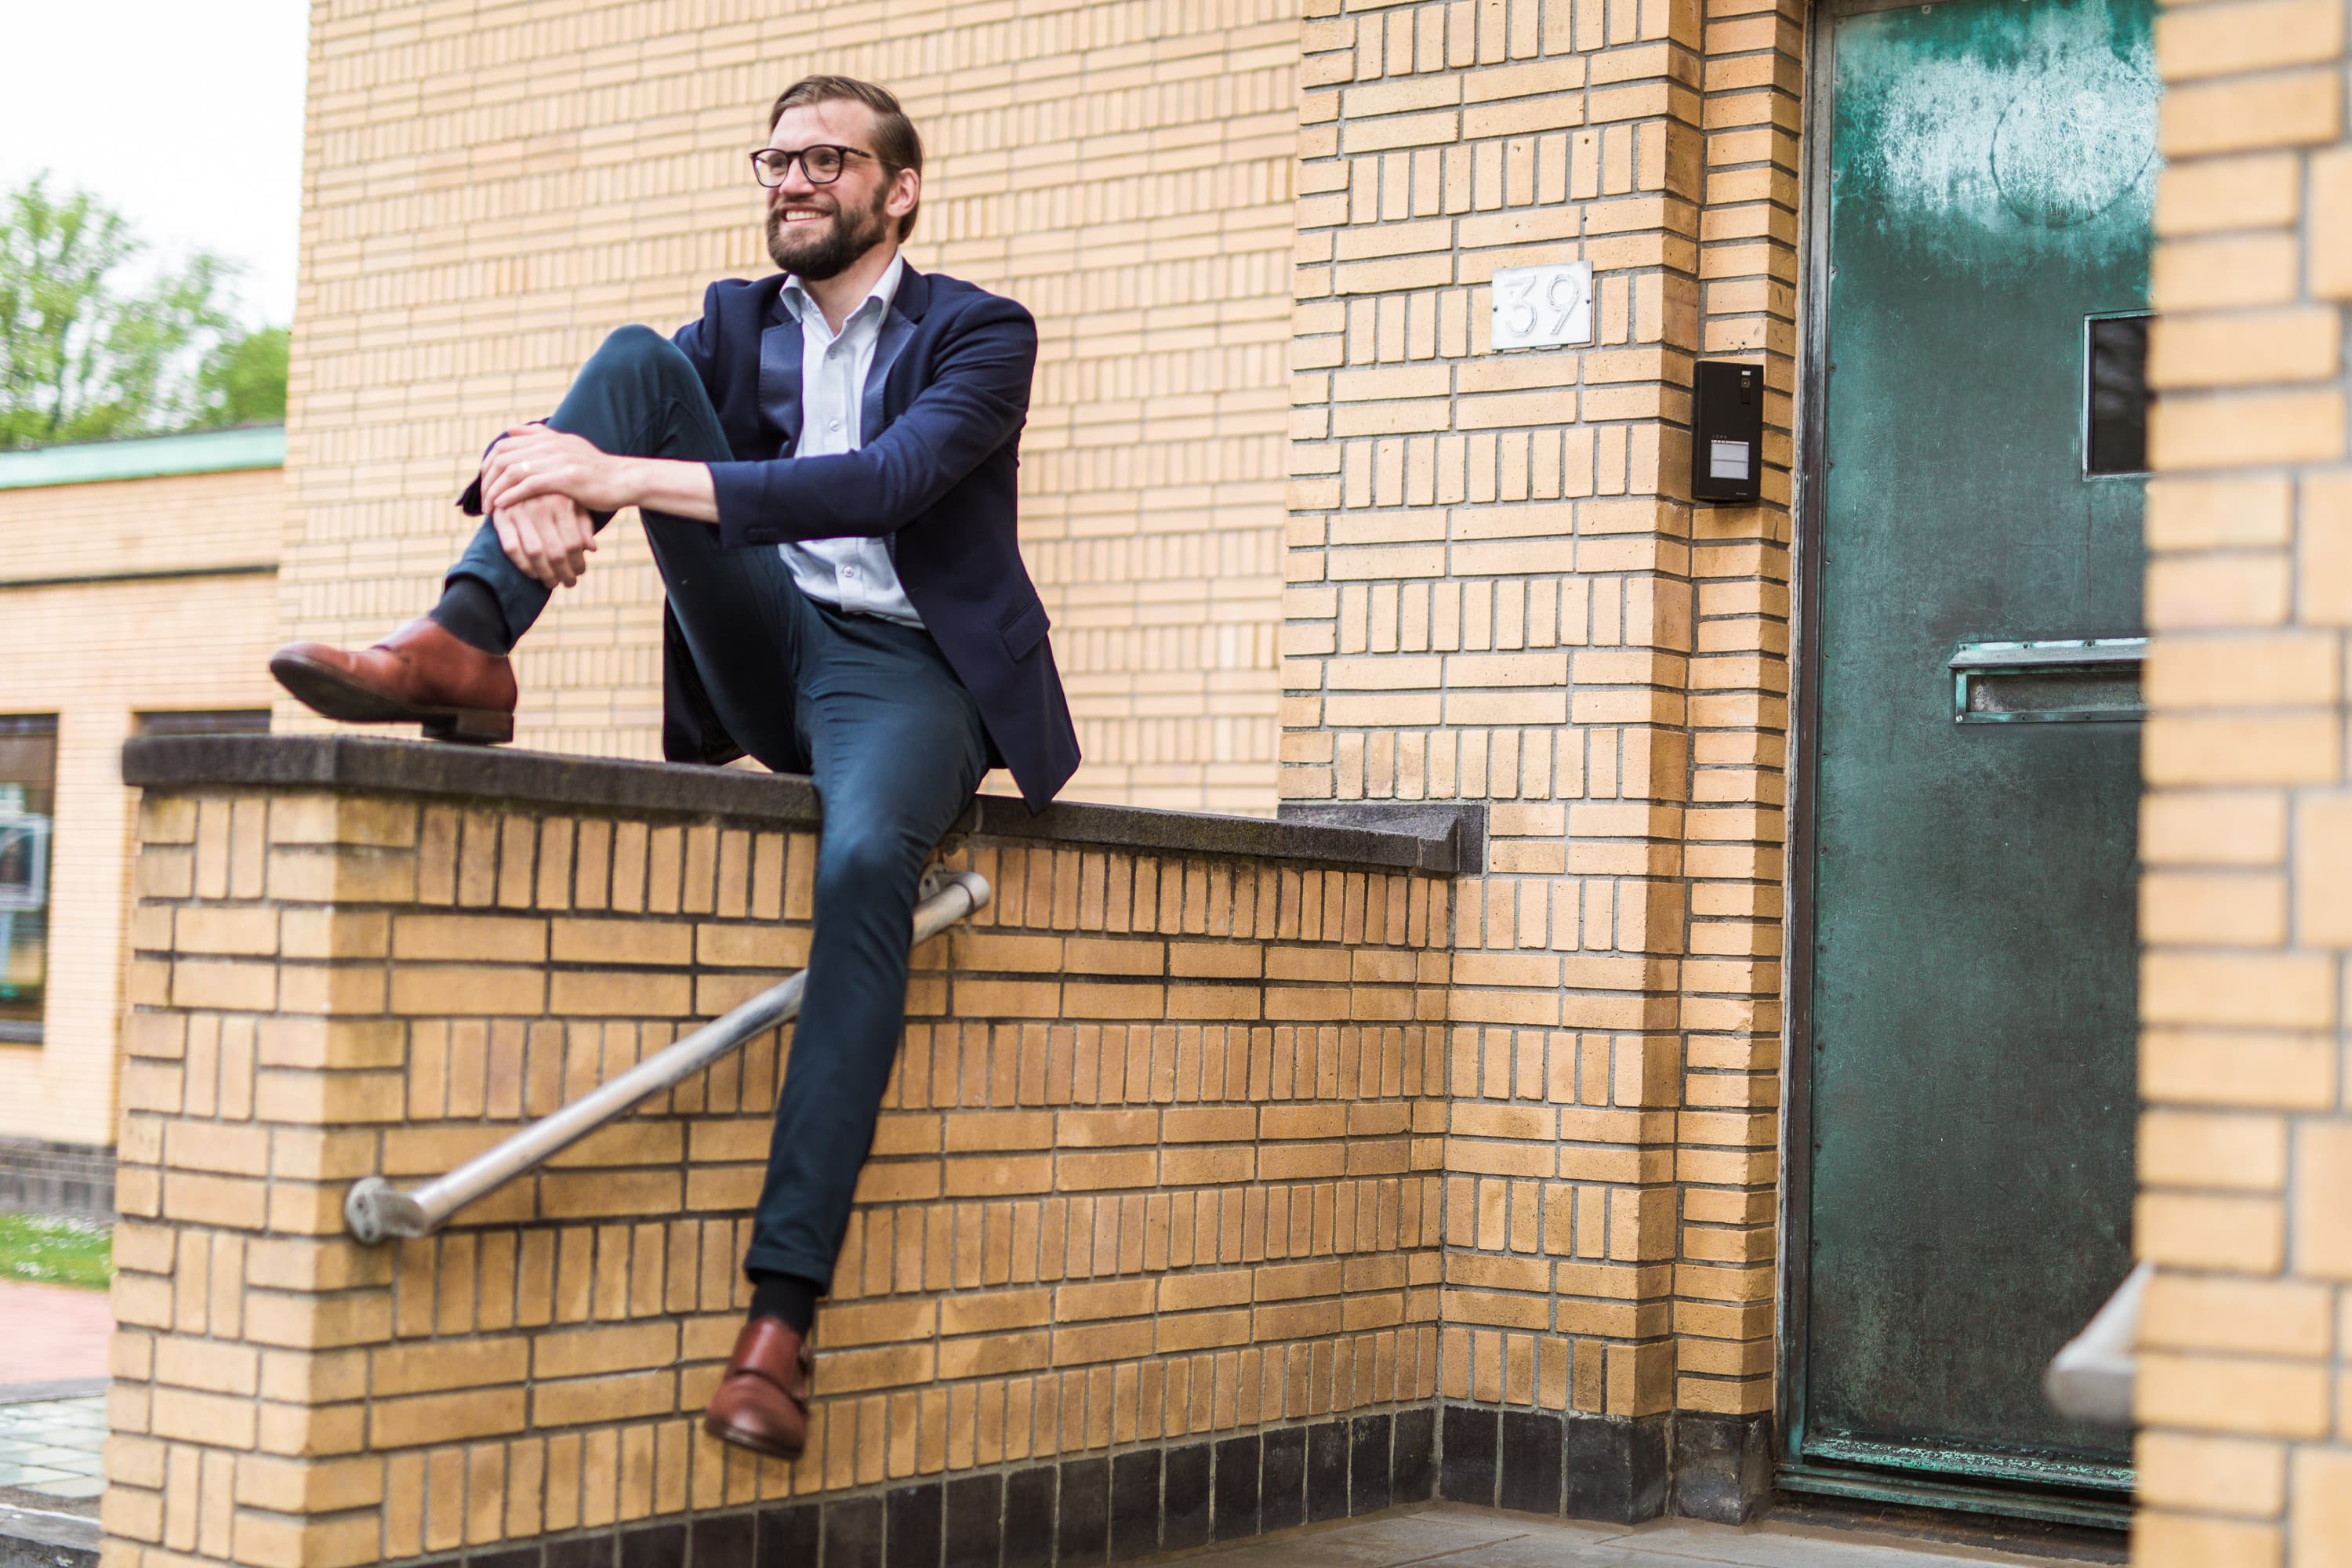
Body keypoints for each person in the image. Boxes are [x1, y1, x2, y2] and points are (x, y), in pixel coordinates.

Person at [269, 75, 1079, 1461]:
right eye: (777, 157)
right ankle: (463, 645)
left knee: (868, 867)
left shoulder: (980, 334)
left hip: (910, 677)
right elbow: (584, 420)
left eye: (830, 158)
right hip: (769, 638)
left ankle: (780, 1317)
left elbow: (885, 484)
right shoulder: (730, 326)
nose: (793, 180)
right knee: (636, 360)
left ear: (901, 190)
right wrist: (530, 483)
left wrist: (617, 483)